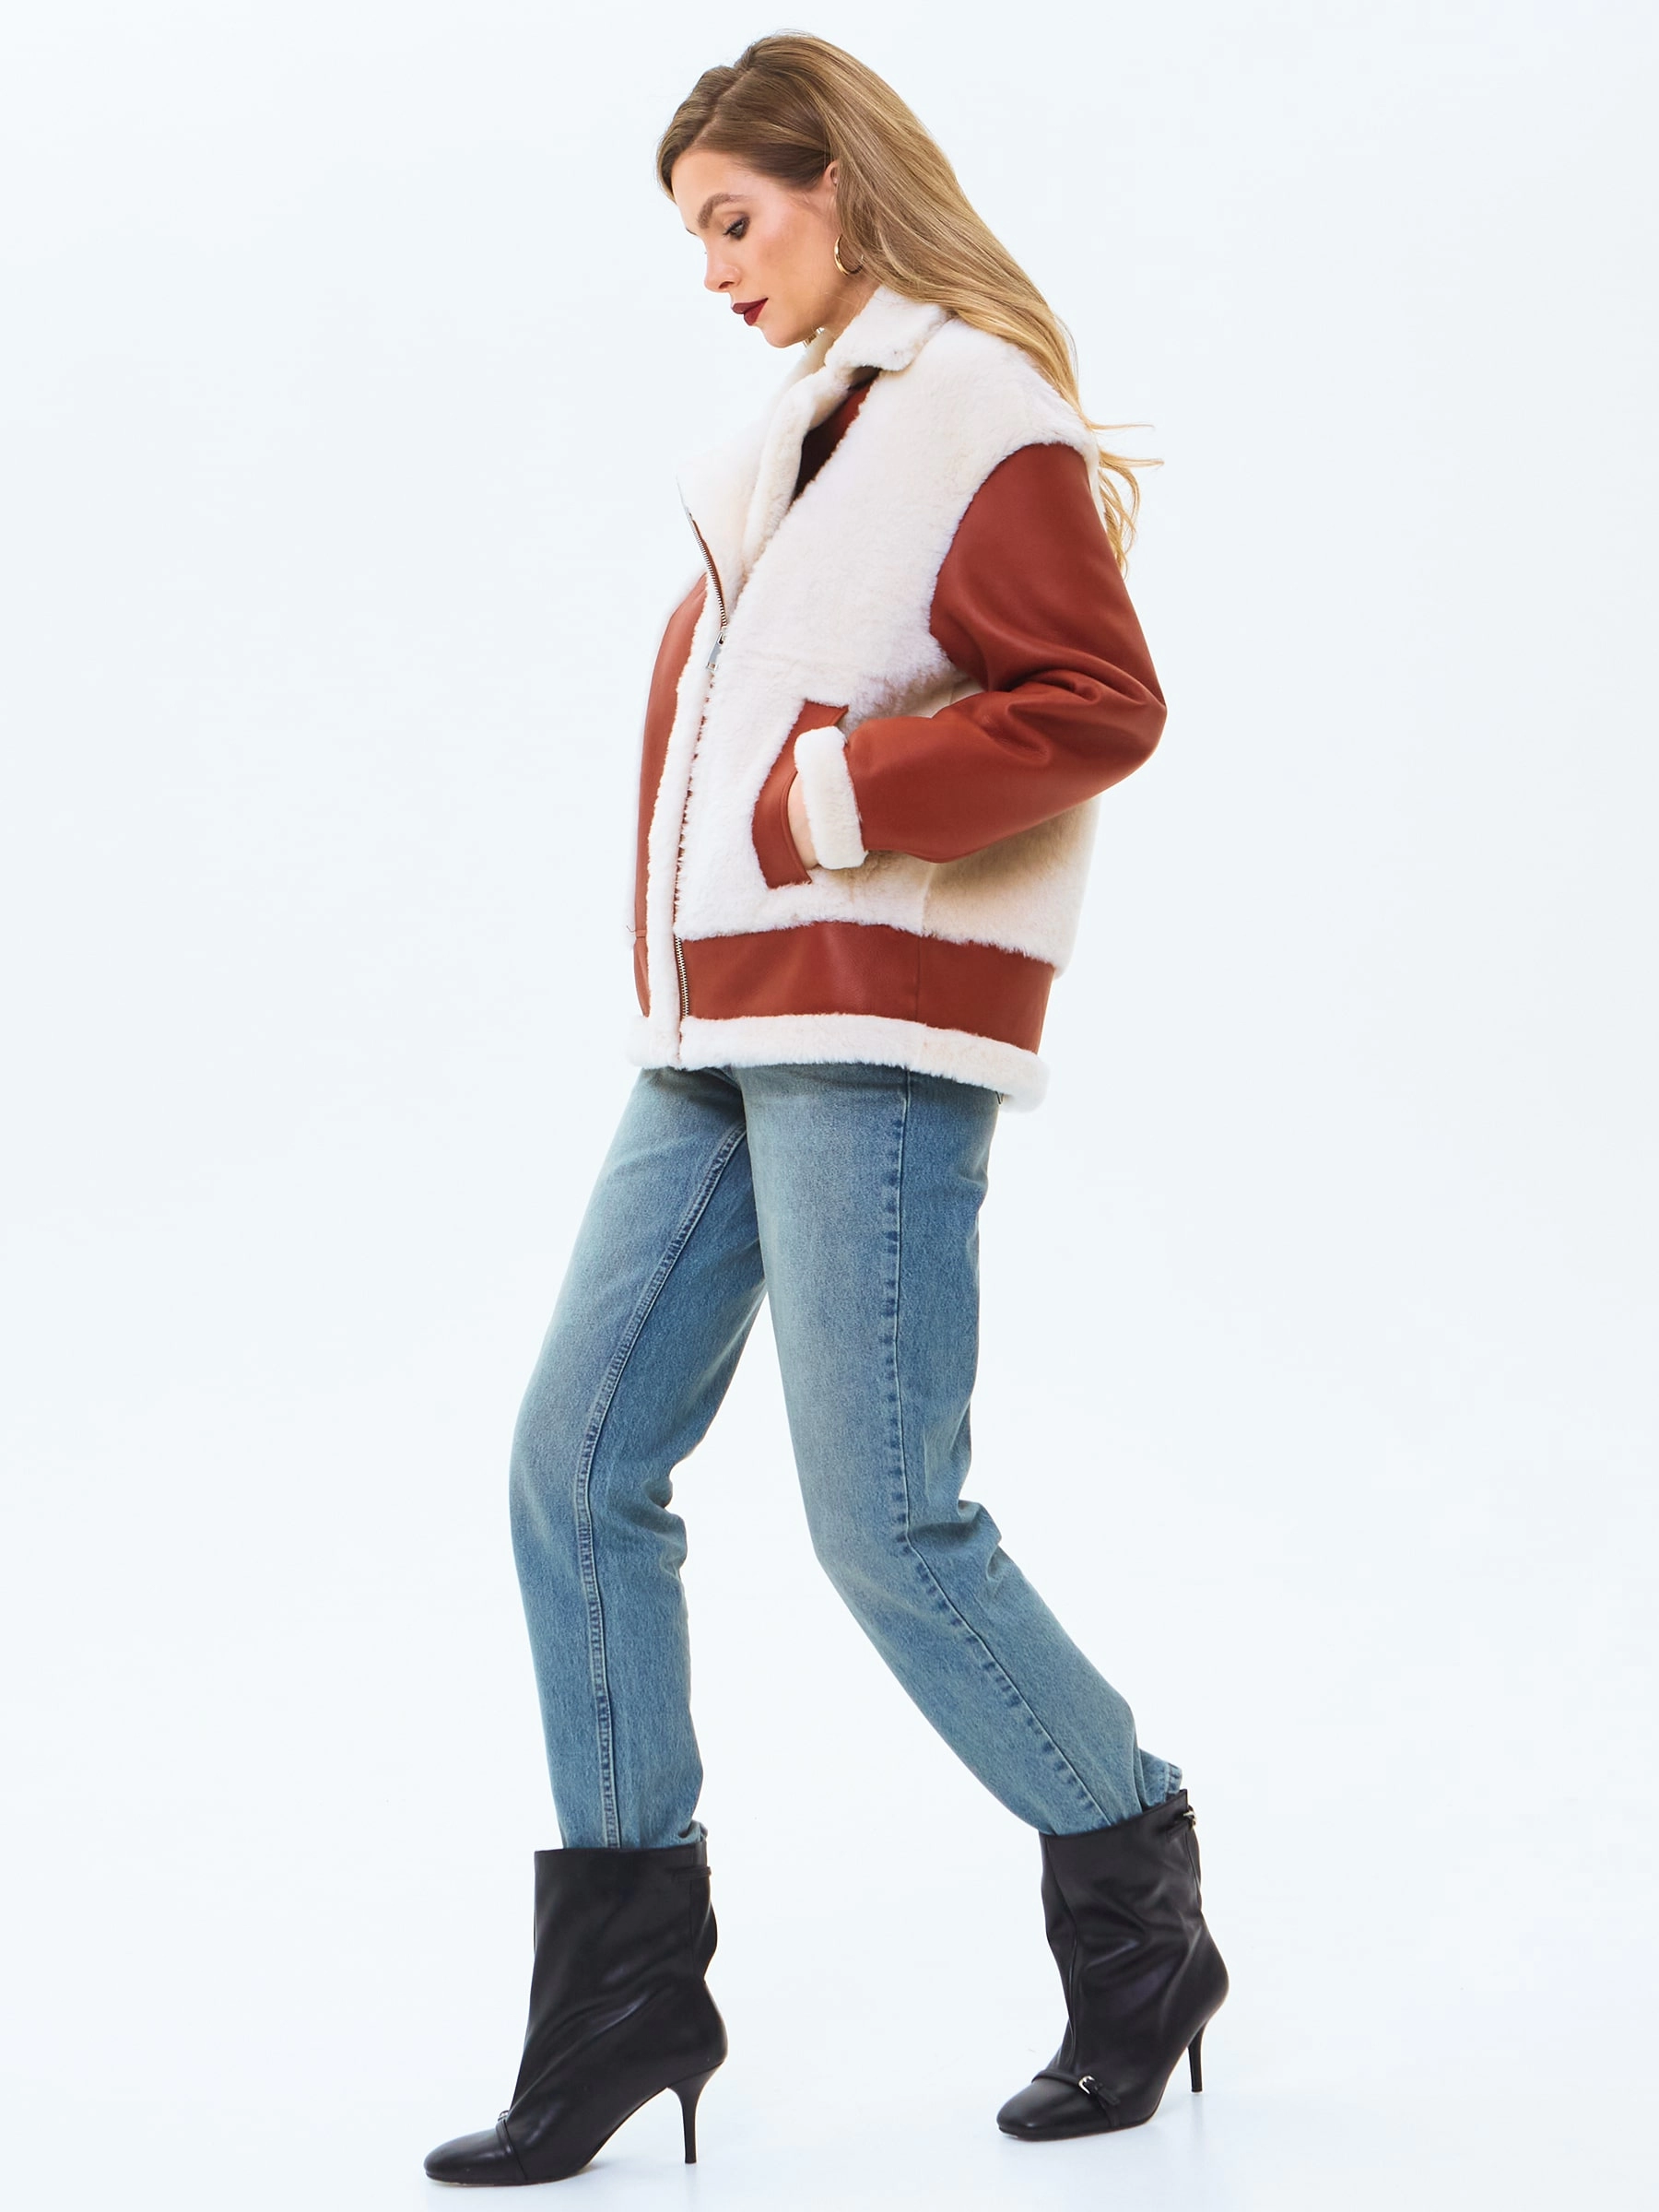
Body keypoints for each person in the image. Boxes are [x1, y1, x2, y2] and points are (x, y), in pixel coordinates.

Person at [423, 32, 1228, 2189]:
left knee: (887, 1527)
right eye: (693, 232)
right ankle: (623, 2001)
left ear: (839, 186)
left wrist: (834, 797)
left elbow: (1098, 700)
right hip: (718, 1029)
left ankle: (1140, 1912)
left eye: (735, 220)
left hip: (869, 1021)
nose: (713, 270)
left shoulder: (974, 408)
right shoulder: (816, 428)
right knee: (575, 1465)